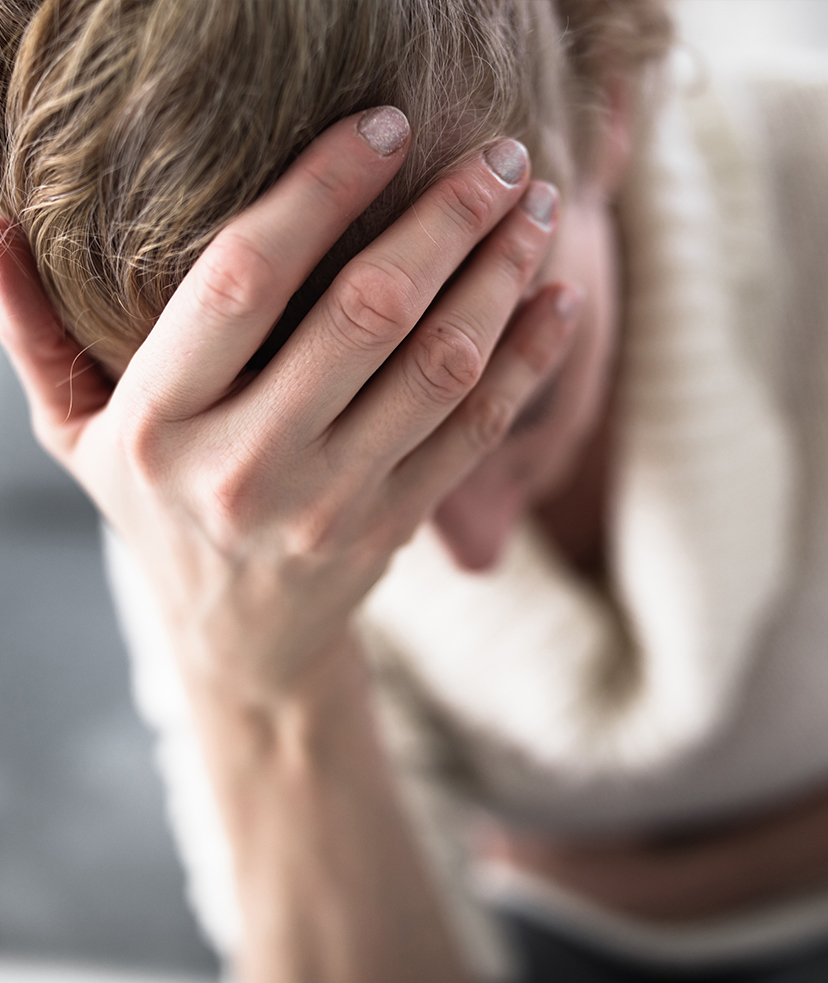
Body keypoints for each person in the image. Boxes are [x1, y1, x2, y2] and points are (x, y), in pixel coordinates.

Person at [2, 1, 828, 981]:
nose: (475, 553)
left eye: (525, 402)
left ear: (609, 100)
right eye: (340, 489)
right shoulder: (216, 491)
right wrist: (266, 678)